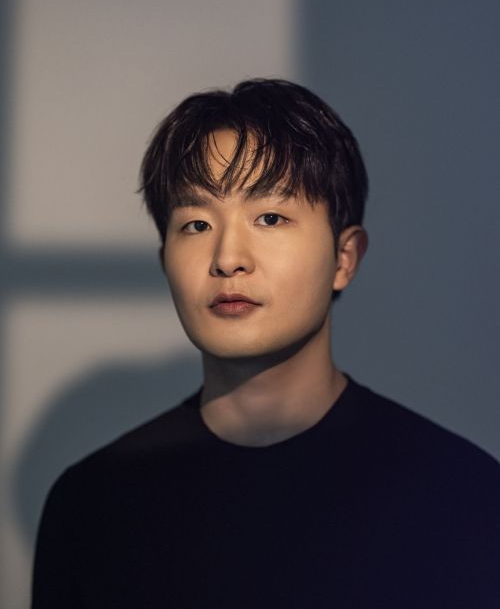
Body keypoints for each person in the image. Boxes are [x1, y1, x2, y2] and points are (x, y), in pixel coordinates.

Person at [32, 78, 500, 608]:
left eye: (270, 217)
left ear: (344, 258)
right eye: (196, 224)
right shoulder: (93, 502)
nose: (228, 258)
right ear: (165, 260)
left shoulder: (460, 493)